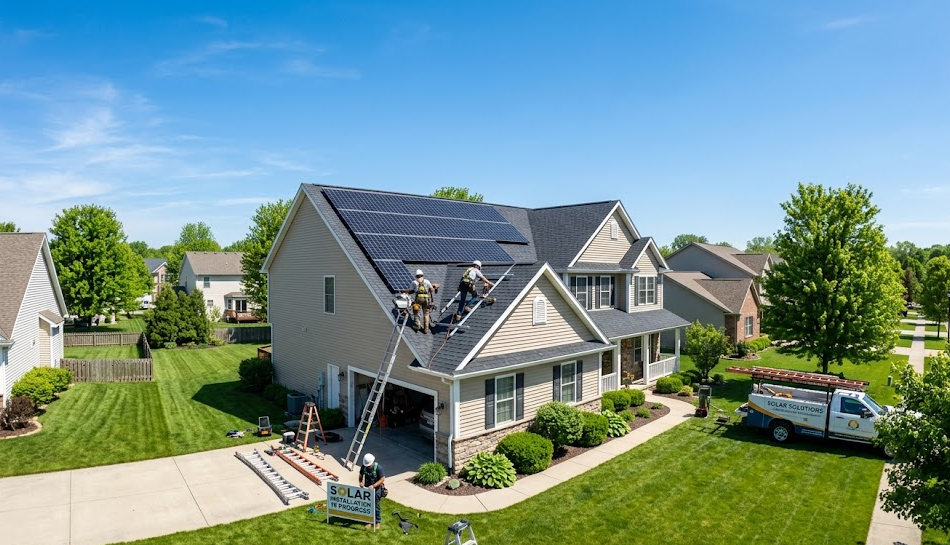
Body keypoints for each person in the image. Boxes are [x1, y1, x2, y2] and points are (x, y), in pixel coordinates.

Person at [359, 453, 385, 530]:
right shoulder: (364, 467)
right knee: (367, 505)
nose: (368, 466)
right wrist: (360, 482)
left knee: (376, 506)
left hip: (376, 489)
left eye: (369, 465)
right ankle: (369, 521)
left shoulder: (378, 468)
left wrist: (374, 486)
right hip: (367, 489)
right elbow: (361, 475)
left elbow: (382, 479)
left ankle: (377, 522)